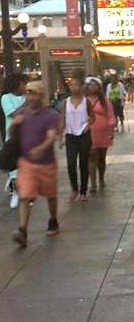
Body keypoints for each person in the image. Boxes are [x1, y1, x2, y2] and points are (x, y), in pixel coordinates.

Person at [11, 81, 60, 248]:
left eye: (34, 93)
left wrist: (41, 148)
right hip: (27, 163)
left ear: (42, 96)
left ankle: (53, 219)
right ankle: (22, 230)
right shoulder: (22, 114)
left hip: (46, 164)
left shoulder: (50, 115)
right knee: (25, 196)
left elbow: (51, 137)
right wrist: (14, 125)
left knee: (51, 196)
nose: (30, 97)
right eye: (28, 93)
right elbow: (13, 135)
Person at [59, 71, 95, 202]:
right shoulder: (66, 102)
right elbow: (62, 118)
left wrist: (88, 124)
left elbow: (93, 116)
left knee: (83, 163)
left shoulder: (86, 102)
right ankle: (74, 188)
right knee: (71, 163)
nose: (74, 87)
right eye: (72, 85)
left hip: (84, 135)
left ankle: (83, 191)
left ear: (81, 86)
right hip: (70, 135)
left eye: (77, 85)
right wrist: (60, 136)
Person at [1, 73, 28, 209]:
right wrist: (27, 104)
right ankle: (16, 192)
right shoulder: (6, 98)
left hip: (27, 137)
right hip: (13, 138)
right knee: (14, 169)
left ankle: (23, 191)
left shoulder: (26, 97)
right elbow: (14, 113)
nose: (25, 87)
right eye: (24, 83)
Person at [85, 76, 116, 193]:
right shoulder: (84, 101)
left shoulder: (105, 101)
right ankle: (93, 183)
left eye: (95, 85)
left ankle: (101, 178)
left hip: (103, 132)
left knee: (101, 158)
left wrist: (111, 129)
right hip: (88, 132)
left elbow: (111, 116)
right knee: (91, 156)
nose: (93, 87)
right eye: (90, 85)